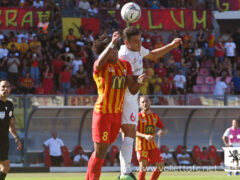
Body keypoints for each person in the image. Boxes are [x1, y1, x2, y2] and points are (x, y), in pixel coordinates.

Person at [118, 26, 182, 179]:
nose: (139, 44)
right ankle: (124, 171)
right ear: (127, 43)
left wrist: (172, 45)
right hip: (126, 96)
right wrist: (139, 81)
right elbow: (127, 82)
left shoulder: (137, 49)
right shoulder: (123, 55)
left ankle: (124, 171)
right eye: (136, 42)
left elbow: (153, 55)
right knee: (127, 134)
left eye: (140, 40)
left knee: (129, 135)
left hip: (134, 95)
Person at [85, 32, 148, 180]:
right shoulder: (100, 66)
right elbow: (99, 62)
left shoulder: (124, 65)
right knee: (100, 153)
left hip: (117, 115)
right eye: (112, 49)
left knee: (101, 152)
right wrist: (111, 43)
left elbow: (132, 90)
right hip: (103, 113)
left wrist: (139, 81)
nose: (115, 52)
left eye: (116, 49)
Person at [136, 95, 168, 180]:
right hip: (141, 146)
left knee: (160, 166)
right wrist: (145, 136)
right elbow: (133, 131)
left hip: (152, 146)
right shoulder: (137, 116)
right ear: (139, 104)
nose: (145, 103)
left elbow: (164, 129)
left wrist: (162, 131)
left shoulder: (154, 116)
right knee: (143, 167)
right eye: (142, 102)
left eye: (146, 101)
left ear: (150, 102)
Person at [0, 80, 22, 180]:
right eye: (3, 87)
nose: (5, 89)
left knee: (6, 167)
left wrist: (16, 138)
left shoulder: (9, 105)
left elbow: (11, 125)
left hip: (4, 140)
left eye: (7, 87)